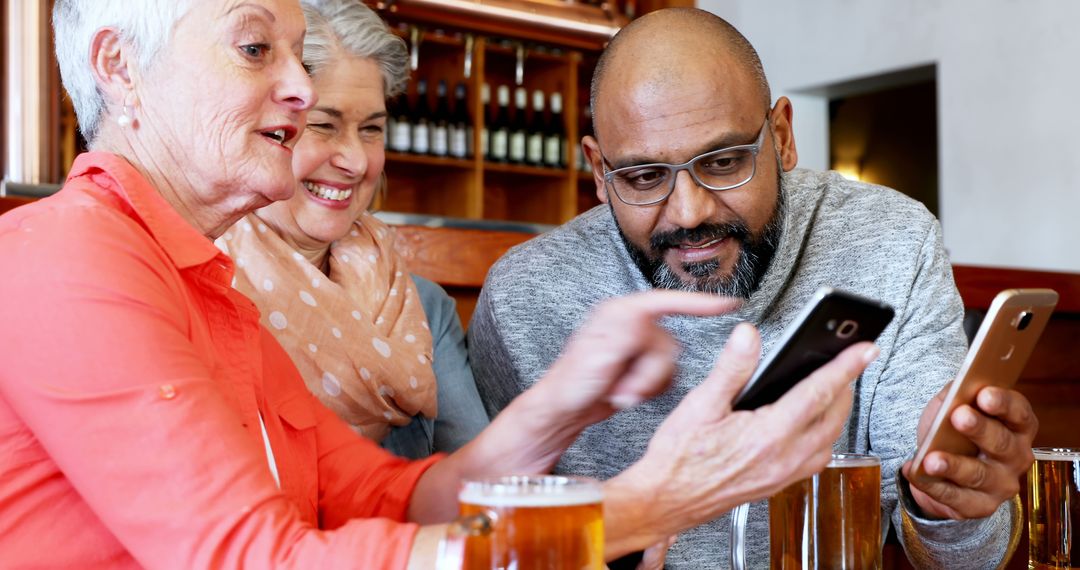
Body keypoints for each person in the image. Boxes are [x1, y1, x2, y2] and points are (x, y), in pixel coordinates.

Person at [0, 0, 878, 567]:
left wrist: (561, 405)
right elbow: (252, 559)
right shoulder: (65, 257)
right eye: (256, 48)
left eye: (299, 55)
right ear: (118, 67)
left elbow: (393, 496)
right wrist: (649, 505)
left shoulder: (202, 280)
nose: (300, 87)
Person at [469, 7, 1037, 568]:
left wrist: (951, 501)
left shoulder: (891, 241)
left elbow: (966, 559)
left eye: (722, 163)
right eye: (644, 177)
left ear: (783, 137)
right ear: (598, 171)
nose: (688, 213)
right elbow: (479, 539)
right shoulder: (524, 296)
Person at [216, 0, 487, 460]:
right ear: (266, 127)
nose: (356, 161)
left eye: (371, 130)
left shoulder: (421, 306)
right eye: (324, 125)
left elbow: (480, 480)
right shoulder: (207, 292)